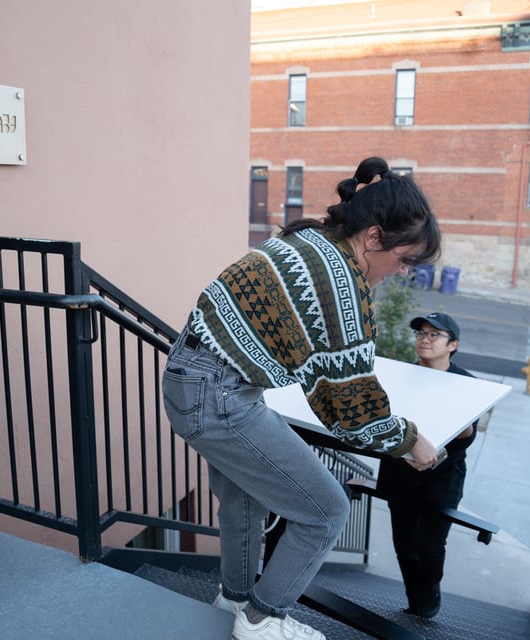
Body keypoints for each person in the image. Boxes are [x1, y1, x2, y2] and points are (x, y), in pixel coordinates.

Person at [161, 157, 443, 640]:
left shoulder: (312, 239)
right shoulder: (338, 281)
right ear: (374, 237)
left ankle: (235, 598)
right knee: (326, 511)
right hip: (219, 394)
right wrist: (411, 440)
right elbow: (352, 411)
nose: (401, 272)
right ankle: (262, 617)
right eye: (404, 259)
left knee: (245, 496)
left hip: (195, 378)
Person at [374, 311, 477, 619]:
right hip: (399, 472)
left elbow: (465, 439)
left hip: (443, 477)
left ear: (453, 345)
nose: (425, 340)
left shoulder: (467, 383)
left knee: (430, 544)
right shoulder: (400, 375)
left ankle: (430, 591)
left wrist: (440, 447)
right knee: (404, 543)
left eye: (434, 335)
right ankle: (413, 602)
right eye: (421, 333)